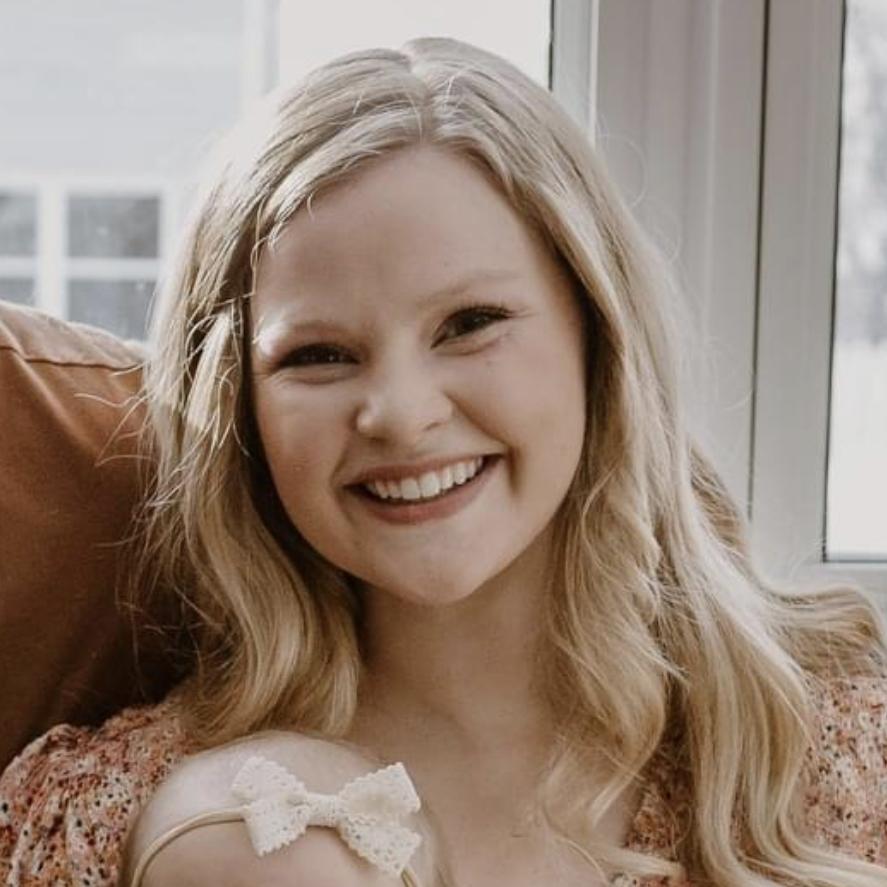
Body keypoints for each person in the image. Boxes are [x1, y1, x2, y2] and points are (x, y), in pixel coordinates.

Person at [2, 36, 886, 887]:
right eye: (318, 354)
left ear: (596, 336)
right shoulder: (110, 819)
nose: (400, 414)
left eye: (468, 324)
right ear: (242, 407)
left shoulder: (835, 752)